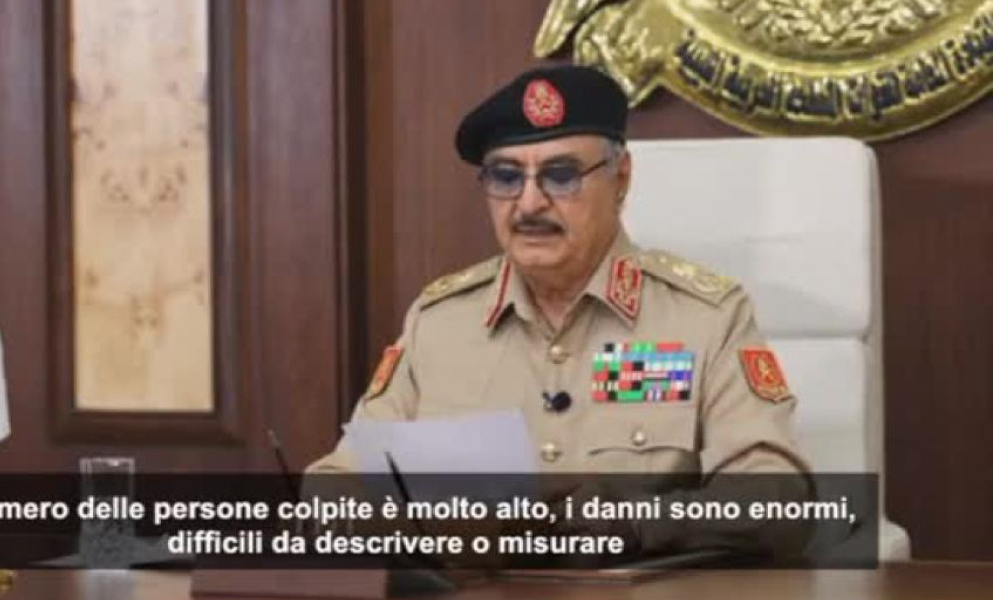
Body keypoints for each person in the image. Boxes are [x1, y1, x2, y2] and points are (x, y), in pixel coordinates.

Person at [307, 65, 811, 560]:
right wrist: (415, 524)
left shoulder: (703, 318)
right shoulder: (439, 324)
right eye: (506, 176)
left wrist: (636, 522)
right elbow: (333, 485)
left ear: (621, 179)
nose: (529, 203)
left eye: (561, 175)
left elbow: (777, 499)